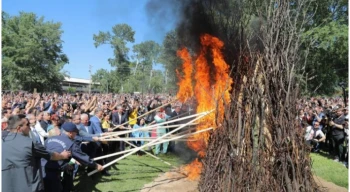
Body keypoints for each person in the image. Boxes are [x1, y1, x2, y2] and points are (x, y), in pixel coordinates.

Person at [2, 115, 71, 192]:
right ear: (19, 128)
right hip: (28, 186)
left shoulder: (2, 141)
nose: (30, 127)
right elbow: (51, 155)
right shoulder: (29, 143)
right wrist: (62, 155)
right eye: (27, 124)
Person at [42, 122, 104, 192]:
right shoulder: (71, 144)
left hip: (42, 169)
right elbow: (83, 157)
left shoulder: (49, 140)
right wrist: (96, 165)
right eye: (75, 133)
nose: (76, 135)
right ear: (70, 133)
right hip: (54, 172)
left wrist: (69, 162)